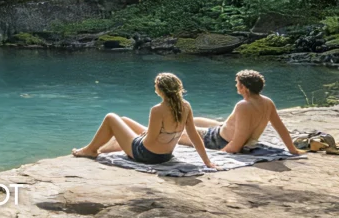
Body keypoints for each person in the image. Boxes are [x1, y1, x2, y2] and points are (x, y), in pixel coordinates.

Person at [72, 72, 215, 168]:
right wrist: (207, 162)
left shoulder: (158, 109)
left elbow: (150, 140)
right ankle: (101, 149)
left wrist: (142, 136)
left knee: (111, 118)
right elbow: (194, 136)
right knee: (124, 120)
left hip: (145, 155)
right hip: (165, 156)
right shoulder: (186, 106)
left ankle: (89, 150)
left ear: (160, 90)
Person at [184, 69, 300, 155]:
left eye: (237, 83)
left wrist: (219, 155)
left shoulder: (243, 106)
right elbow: (280, 127)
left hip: (217, 140)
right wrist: (292, 149)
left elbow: (237, 144)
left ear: (244, 88)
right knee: (195, 120)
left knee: (180, 132)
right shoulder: (267, 102)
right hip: (222, 131)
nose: (235, 85)